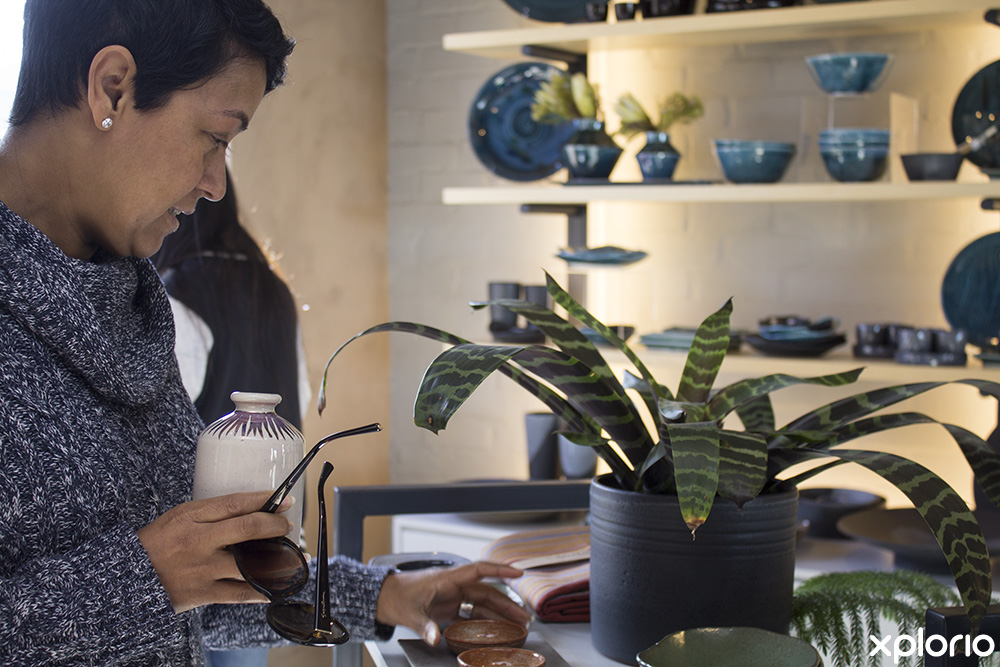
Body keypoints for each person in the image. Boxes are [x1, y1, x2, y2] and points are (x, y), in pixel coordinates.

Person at [0, 1, 531, 665]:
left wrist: (389, 595)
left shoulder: (126, 302)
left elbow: (202, 587)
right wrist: (143, 580)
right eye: (215, 136)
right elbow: (161, 584)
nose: (216, 184)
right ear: (113, 87)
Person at [153, 167, 311, 667]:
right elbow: (299, 396)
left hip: (195, 549)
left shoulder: (173, 293)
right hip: (272, 536)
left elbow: (163, 422)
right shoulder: (276, 292)